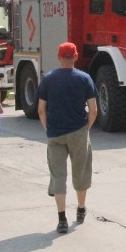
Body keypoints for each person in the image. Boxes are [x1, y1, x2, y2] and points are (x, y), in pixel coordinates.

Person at [37, 42, 98, 234]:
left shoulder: (48, 79)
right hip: (78, 131)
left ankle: (61, 219)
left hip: (55, 134)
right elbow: (94, 110)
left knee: (58, 176)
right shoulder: (84, 78)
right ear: (76, 56)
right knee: (81, 171)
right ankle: (80, 209)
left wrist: (48, 129)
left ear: (59, 57)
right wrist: (85, 128)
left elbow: (40, 110)